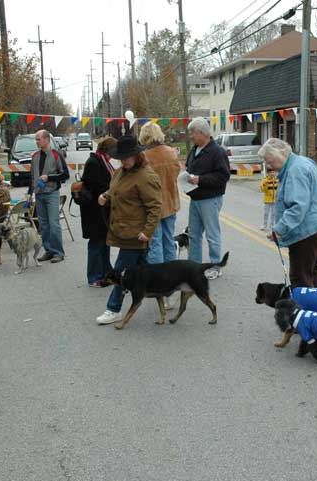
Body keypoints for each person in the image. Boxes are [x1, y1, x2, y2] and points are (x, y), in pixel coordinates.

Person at [95, 136, 161, 325]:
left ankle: (113, 309)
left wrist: (147, 232)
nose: (123, 160)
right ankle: (166, 293)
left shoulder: (146, 176)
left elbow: (155, 207)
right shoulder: (121, 172)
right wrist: (106, 196)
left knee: (120, 271)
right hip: (122, 229)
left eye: (127, 157)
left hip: (135, 233)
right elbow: (116, 189)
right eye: (120, 157)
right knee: (146, 269)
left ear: (136, 155)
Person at [259, 138, 317, 288]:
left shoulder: (294, 171)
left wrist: (279, 229)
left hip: (307, 233)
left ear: (280, 155)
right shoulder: (304, 161)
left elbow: (297, 207)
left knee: (300, 278)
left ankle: (307, 310)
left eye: (269, 161)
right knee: (311, 272)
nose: (269, 166)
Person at [185, 117, 230, 280]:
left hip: (210, 198)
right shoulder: (194, 149)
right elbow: (189, 167)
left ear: (202, 133)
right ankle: (194, 267)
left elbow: (223, 176)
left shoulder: (217, 152)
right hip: (195, 198)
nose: (191, 136)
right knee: (193, 234)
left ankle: (215, 266)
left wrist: (200, 179)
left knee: (212, 234)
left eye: (193, 133)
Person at [77, 136, 116, 288]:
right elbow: (97, 186)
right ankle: (94, 276)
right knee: (96, 243)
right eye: (112, 152)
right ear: (106, 150)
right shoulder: (94, 163)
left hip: (102, 210)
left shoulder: (103, 162)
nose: (113, 156)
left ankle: (106, 271)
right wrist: (112, 190)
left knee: (105, 242)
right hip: (93, 210)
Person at [141, 122, 181, 265]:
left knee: (155, 242)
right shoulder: (172, 152)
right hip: (171, 202)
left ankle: (157, 277)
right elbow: (176, 174)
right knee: (169, 239)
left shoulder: (144, 157)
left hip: (152, 205)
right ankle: (172, 275)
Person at [29, 129, 69, 264]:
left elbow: (65, 175)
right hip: (38, 194)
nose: (36, 141)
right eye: (36, 139)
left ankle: (58, 252)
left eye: (38, 139)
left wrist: (49, 177)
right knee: (44, 225)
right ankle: (49, 250)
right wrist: (30, 194)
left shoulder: (56, 155)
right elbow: (32, 177)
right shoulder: (34, 156)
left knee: (54, 223)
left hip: (52, 193)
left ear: (46, 139)